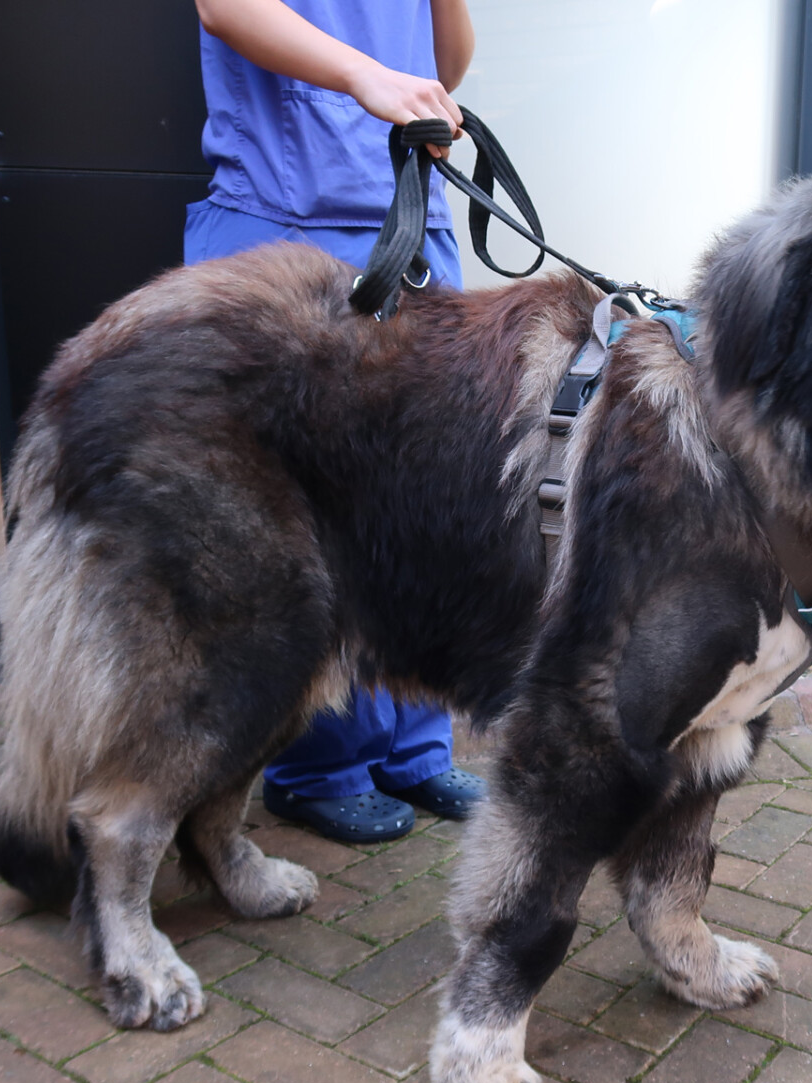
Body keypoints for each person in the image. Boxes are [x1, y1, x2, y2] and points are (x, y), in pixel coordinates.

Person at [189, 0, 485, 842]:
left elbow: (444, 68)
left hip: (406, 219)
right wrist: (363, 73)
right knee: (303, 528)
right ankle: (317, 764)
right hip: (293, 234)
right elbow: (225, 7)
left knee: (425, 511)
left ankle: (415, 750)